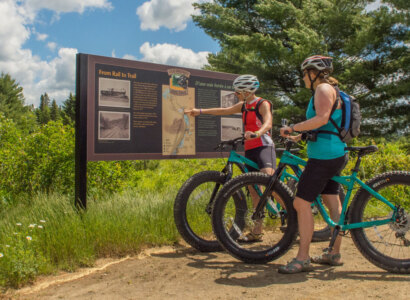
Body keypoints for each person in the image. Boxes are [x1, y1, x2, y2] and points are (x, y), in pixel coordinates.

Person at [278, 55, 348, 274]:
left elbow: (322, 118)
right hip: (334, 152)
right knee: (331, 200)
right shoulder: (329, 90)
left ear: (314, 73)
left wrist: (294, 128)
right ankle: (333, 253)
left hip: (324, 157)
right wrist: (301, 137)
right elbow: (326, 126)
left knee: (301, 203)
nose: (302, 78)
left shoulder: (323, 89)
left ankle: (302, 258)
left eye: (304, 73)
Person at [184, 74, 275, 242]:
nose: (236, 94)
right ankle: (257, 231)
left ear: (248, 91)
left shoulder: (263, 103)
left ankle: (293, 218)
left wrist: (257, 133)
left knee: (270, 183)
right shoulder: (243, 106)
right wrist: (200, 111)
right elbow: (223, 110)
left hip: (264, 146)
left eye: (238, 92)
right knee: (255, 192)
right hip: (250, 149)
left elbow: (268, 123)